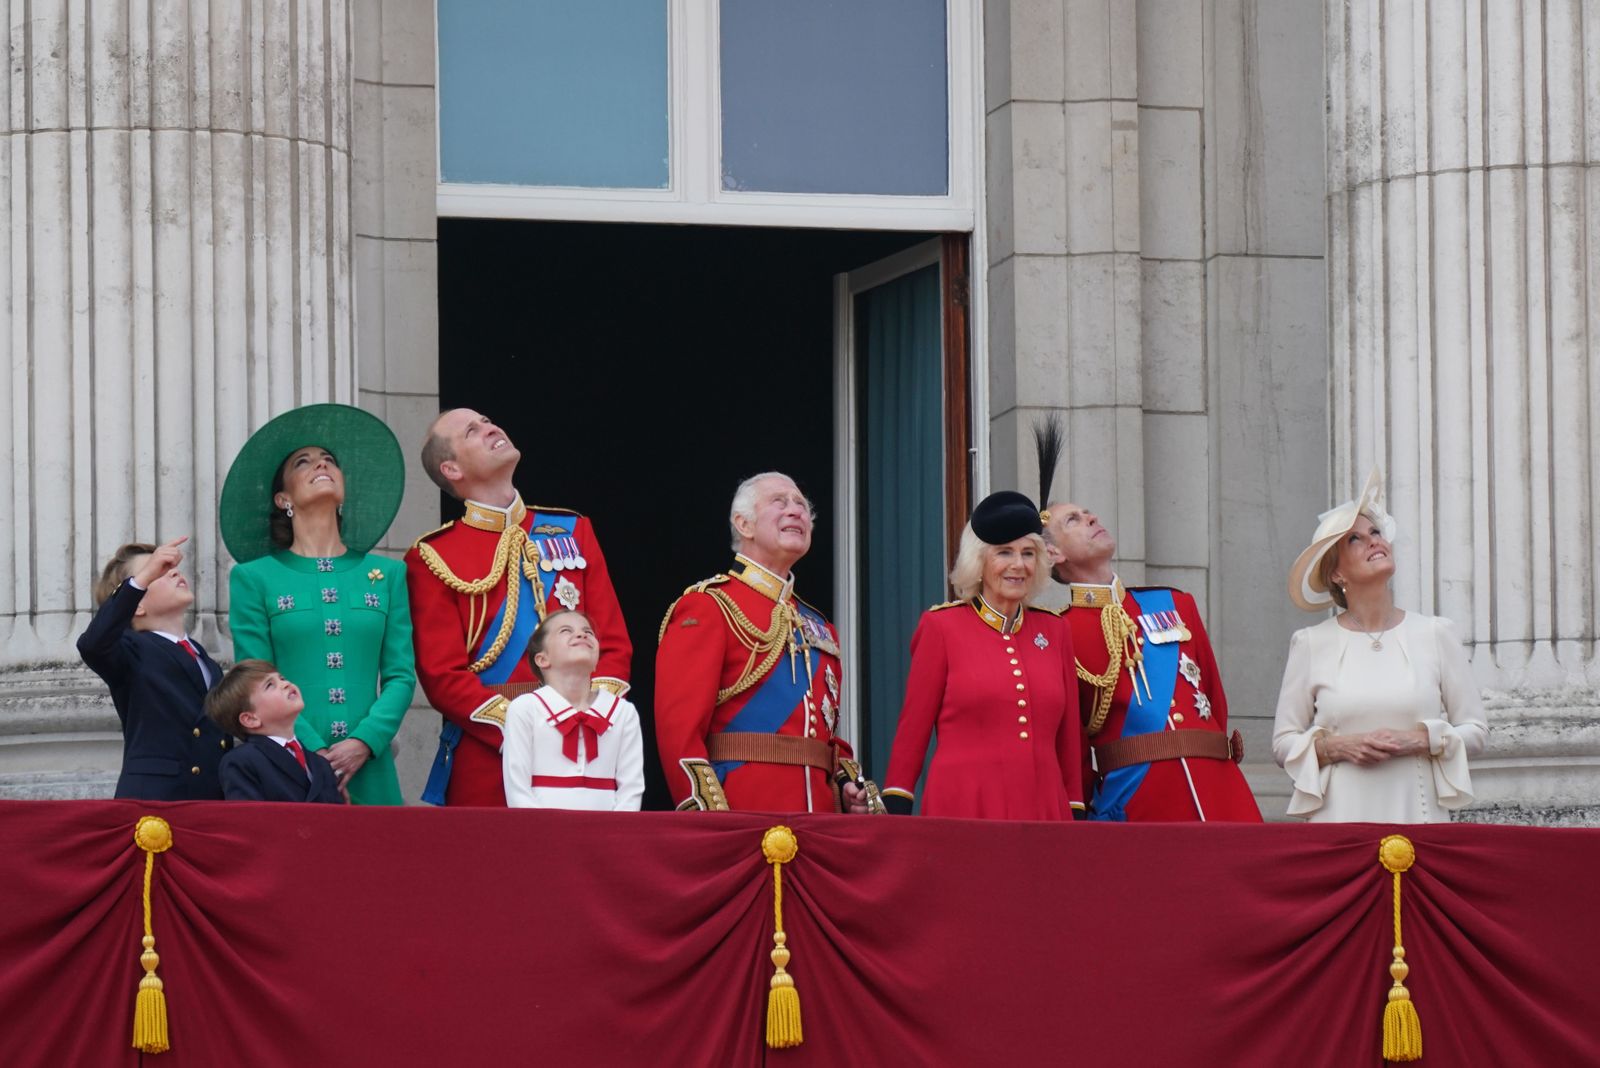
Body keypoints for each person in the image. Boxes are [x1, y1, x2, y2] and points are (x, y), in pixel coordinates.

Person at [1034, 420, 1261, 822]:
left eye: (1088, 513)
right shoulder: (1057, 631)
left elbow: (1214, 700)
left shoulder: (1174, 603)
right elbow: (1069, 741)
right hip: (1140, 802)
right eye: (1073, 520)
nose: (1091, 518)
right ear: (1053, 555)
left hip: (1220, 792)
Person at [405, 409, 632, 806]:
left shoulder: (573, 531)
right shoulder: (432, 556)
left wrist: (587, 721)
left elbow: (612, 644)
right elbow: (442, 675)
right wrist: (528, 727)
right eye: (472, 431)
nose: (491, 427)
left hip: (585, 747)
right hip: (492, 752)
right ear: (451, 469)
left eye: (488, 420)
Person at [220, 403, 417, 806]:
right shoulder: (254, 578)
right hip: (293, 762)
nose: (320, 464)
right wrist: (315, 751)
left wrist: (364, 741)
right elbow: (256, 677)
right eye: (303, 462)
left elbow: (400, 675)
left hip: (371, 763)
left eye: (329, 460)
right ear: (282, 498)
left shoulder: (388, 574)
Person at [1271, 468, 1488, 822]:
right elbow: (1283, 742)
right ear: (1337, 574)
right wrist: (1338, 747)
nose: (1374, 540)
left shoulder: (1436, 633)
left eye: (1375, 531)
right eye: (1354, 539)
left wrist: (1418, 740)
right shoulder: (1311, 643)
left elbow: (1476, 731)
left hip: (1419, 816)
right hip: (1339, 820)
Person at [655, 472, 878, 813]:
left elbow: (824, 736)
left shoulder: (819, 625)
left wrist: (846, 787)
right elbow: (679, 733)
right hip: (743, 815)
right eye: (779, 502)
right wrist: (707, 817)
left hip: (819, 823)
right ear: (743, 524)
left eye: (801, 505)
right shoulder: (709, 606)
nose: (796, 511)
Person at [882, 491, 1085, 819]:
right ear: (978, 563)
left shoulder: (1055, 631)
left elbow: (1069, 740)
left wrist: (1075, 809)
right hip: (963, 807)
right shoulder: (942, 627)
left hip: (1045, 810)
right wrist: (897, 802)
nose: (1018, 565)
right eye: (1004, 552)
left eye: (1028, 553)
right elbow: (912, 730)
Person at [77, 536, 233, 799]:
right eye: (157, 572)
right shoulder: (129, 649)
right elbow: (93, 645)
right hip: (155, 800)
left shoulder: (203, 659)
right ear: (135, 605)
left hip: (210, 799)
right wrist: (140, 581)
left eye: (170, 568)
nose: (172, 572)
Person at [502, 610, 644, 810]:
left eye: (588, 632)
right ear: (542, 659)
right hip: (543, 835)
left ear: (596, 659)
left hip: (607, 834)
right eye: (565, 631)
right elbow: (518, 791)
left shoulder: (623, 712)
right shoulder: (524, 709)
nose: (581, 634)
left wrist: (615, 837)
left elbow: (631, 790)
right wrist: (540, 836)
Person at [208, 659, 344, 803]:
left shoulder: (320, 764)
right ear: (250, 719)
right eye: (270, 685)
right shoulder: (242, 761)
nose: (285, 684)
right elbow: (248, 820)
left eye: (282, 678)